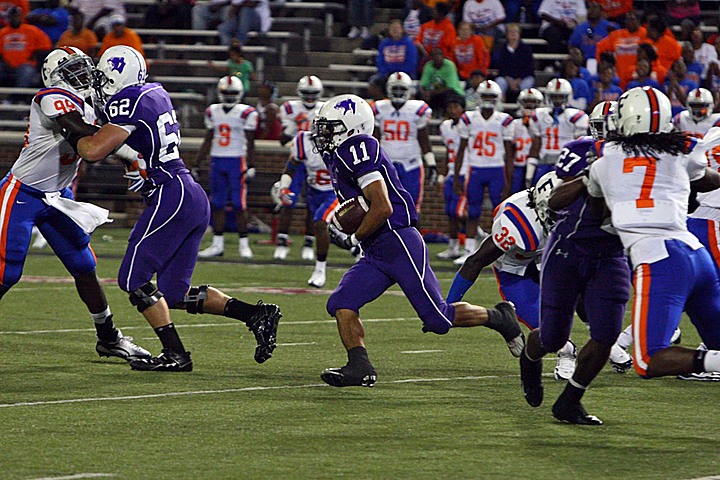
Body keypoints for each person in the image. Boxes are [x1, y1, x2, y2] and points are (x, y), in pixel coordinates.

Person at [70, 45, 281, 371]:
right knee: (173, 292)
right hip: (187, 194)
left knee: (132, 278)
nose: (99, 84)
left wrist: (67, 127)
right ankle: (255, 314)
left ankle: (176, 354)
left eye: (103, 77)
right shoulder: (154, 92)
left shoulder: (129, 101)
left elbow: (93, 150)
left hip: (171, 194)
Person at [311, 93, 525, 387]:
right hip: (376, 249)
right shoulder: (337, 155)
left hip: (398, 240)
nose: (322, 133)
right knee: (341, 302)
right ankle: (359, 366)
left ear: (351, 127)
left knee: (437, 319)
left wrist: (352, 235)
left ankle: (499, 317)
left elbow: (382, 206)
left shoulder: (358, 147)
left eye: (329, 127)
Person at [0, 46, 149, 362]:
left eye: (85, 69)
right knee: (6, 272)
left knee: (84, 266)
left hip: (57, 197)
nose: (83, 76)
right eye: (73, 71)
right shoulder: (49, 97)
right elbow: (83, 136)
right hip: (22, 193)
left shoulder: (94, 103)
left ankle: (109, 337)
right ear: (55, 77)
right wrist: (129, 155)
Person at [583, 87, 720, 417]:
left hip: (659, 260)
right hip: (696, 254)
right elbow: (709, 179)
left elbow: (596, 215)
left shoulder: (604, 161)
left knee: (648, 359)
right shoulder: (680, 154)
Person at [519, 101, 632, 425]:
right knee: (554, 338)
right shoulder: (580, 151)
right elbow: (555, 199)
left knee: (606, 334)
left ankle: (570, 400)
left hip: (610, 254)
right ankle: (530, 359)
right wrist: (589, 175)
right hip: (569, 250)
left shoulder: (643, 157)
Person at [448, 170, 580, 381]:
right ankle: (566, 350)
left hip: (550, 258)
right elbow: (475, 261)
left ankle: (611, 345)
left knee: (586, 295)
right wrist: (448, 306)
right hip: (515, 269)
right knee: (543, 326)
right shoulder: (519, 225)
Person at [451, 80, 514, 264]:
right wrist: (456, 176)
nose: (487, 100)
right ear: (478, 97)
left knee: (501, 212)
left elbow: (509, 153)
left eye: (491, 96)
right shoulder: (469, 118)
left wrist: (508, 181)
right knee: (473, 211)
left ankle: (503, 250)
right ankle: (469, 250)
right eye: (485, 96)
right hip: (475, 168)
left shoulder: (504, 120)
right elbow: (461, 150)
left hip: (496, 169)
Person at [194, 76, 256, 259]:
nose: (229, 96)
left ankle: (243, 243)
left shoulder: (247, 112)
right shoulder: (212, 111)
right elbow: (208, 139)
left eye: (232, 93)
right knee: (218, 204)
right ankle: (217, 244)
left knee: (239, 204)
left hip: (237, 159)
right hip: (217, 159)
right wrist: (197, 163)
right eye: (226, 93)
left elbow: (251, 142)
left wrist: (251, 164)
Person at [271, 130, 337, 288]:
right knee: (325, 228)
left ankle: (320, 270)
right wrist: (284, 187)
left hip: (336, 191)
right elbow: (290, 168)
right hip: (314, 191)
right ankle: (355, 248)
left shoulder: (343, 143)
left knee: (321, 222)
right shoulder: (303, 141)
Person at [274, 75, 325, 261]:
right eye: (306, 94)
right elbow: (282, 140)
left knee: (314, 205)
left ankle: (309, 243)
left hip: (318, 160)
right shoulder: (290, 108)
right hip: (298, 157)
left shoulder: (326, 109)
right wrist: (292, 127)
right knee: (288, 199)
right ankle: (282, 242)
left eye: (313, 94)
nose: (310, 98)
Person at [372, 71, 437, 213]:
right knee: (383, 206)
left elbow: (423, 138)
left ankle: (412, 236)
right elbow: (374, 139)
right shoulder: (379, 108)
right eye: (395, 89)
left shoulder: (417, 109)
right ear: (388, 89)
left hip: (411, 164)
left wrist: (431, 163)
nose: (398, 92)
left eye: (402, 89)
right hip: (385, 164)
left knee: (412, 208)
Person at [526, 78, 588, 187]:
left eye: (560, 96)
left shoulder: (577, 116)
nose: (557, 100)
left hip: (566, 162)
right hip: (544, 161)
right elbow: (536, 145)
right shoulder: (539, 115)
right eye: (554, 96)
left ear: (567, 96)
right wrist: (529, 174)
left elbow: (580, 146)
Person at [437, 93, 469, 260]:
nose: (453, 110)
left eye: (456, 106)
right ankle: (453, 246)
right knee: (450, 212)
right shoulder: (445, 127)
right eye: (450, 107)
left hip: (465, 172)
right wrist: (443, 174)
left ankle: (477, 237)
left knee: (460, 212)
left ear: (463, 108)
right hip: (451, 171)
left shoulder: (469, 125)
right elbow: (448, 152)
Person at [0, 6, 51, 89]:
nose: (15, 18)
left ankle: (18, 98)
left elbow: (46, 46)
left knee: (27, 71)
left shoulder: (33, 30)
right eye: (12, 16)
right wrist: (4, 62)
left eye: (17, 16)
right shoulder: (2, 33)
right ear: (8, 18)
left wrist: (33, 56)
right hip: (6, 65)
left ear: (21, 16)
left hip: (25, 64)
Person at [595, 10, 647, 89]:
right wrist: (603, 66)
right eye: (627, 19)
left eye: (632, 19)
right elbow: (600, 47)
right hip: (619, 75)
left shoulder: (645, 34)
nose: (629, 22)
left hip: (636, 75)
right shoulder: (616, 34)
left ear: (638, 21)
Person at [510, 88, 543, 194]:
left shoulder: (544, 124)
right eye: (527, 102)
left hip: (536, 164)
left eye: (533, 102)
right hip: (518, 164)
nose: (530, 105)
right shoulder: (513, 124)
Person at [490, 23, 534, 103]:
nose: (513, 34)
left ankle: (524, 106)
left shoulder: (526, 49)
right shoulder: (502, 49)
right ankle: (499, 104)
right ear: (506, 34)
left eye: (515, 31)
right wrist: (509, 80)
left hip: (523, 77)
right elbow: (501, 67)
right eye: (511, 31)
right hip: (506, 77)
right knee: (499, 82)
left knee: (527, 84)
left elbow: (529, 68)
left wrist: (519, 80)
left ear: (519, 34)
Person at [418, 47, 464, 117]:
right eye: (434, 55)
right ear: (431, 57)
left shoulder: (449, 65)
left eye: (438, 54)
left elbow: (450, 87)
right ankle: (424, 115)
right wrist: (423, 92)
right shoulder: (428, 65)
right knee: (419, 95)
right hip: (434, 93)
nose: (437, 57)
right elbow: (423, 84)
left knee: (448, 95)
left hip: (454, 93)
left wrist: (430, 92)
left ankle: (447, 115)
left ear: (443, 56)